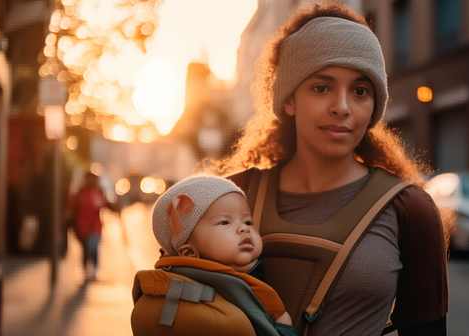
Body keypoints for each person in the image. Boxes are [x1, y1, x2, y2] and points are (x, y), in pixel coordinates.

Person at [207, 2, 450, 335]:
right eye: (322, 88)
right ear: (289, 99)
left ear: (374, 106)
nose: (342, 107)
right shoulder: (230, 197)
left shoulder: (410, 209)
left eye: (360, 91)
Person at [132, 175, 299, 336]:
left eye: (248, 221)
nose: (244, 228)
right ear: (189, 252)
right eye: (225, 222)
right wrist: (284, 325)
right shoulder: (247, 287)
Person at [72, 171, 108, 281]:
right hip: (82, 226)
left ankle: (93, 270)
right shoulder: (81, 193)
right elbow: (74, 208)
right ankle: (86, 270)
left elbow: (104, 205)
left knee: (93, 248)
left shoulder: (98, 192)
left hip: (95, 226)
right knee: (85, 249)